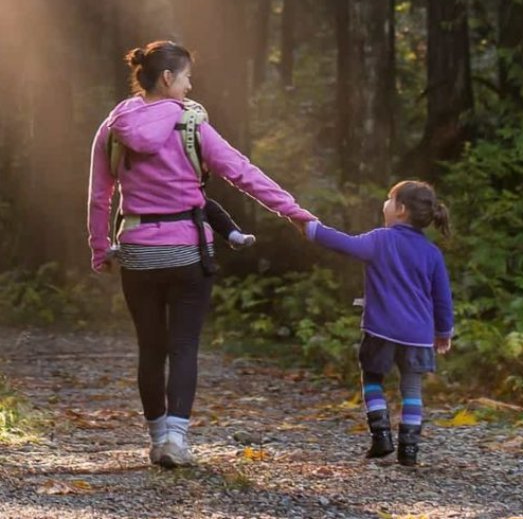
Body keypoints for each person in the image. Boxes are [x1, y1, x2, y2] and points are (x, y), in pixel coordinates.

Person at [88, 40, 316, 468]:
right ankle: (176, 438)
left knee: (150, 347)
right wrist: (294, 212)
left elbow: (100, 196)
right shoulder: (191, 125)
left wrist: (101, 247)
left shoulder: (113, 125)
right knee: (184, 346)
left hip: (137, 251)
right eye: (188, 77)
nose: (191, 87)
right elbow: (242, 173)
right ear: (168, 77)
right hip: (188, 252)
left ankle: (157, 440)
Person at [304, 180, 453, 467]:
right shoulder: (432, 253)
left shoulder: (380, 240)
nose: (384, 205)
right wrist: (443, 332)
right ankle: (409, 449)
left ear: (400, 209)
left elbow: (343, 243)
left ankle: (381, 436)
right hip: (419, 335)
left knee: (372, 378)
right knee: (412, 389)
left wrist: (311, 228)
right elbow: (443, 298)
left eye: (389, 199)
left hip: (381, 329)